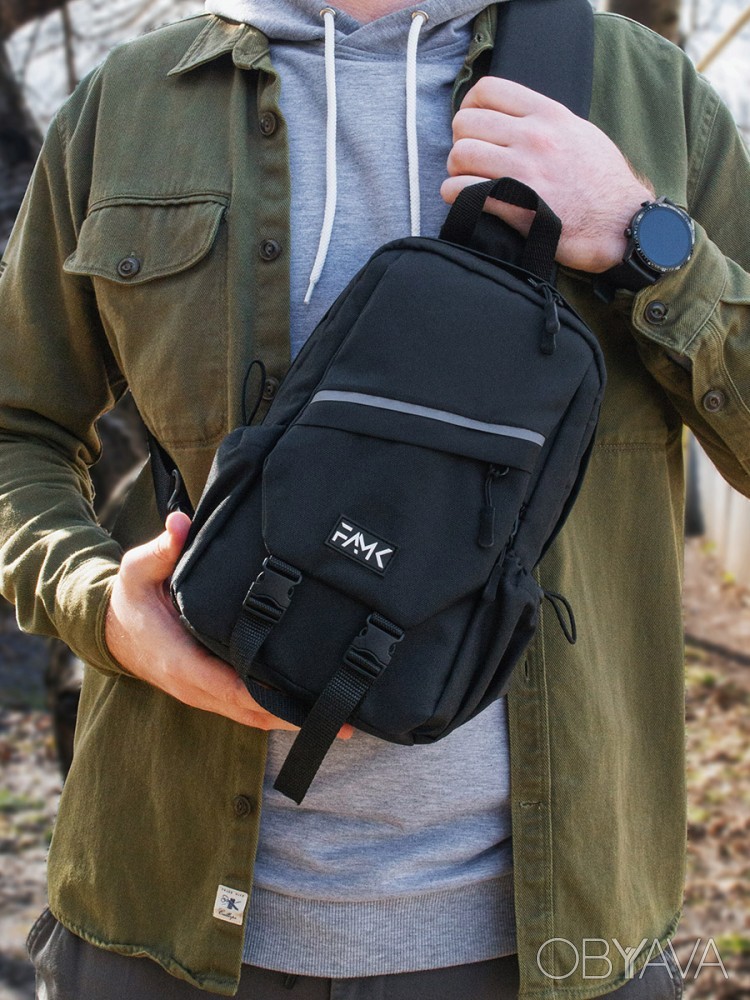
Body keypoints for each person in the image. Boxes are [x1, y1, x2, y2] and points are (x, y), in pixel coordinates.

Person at [1, 0, 748, 996]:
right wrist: (98, 603)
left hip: (549, 943)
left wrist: (646, 241)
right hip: (160, 918)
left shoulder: (652, 99)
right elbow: (17, 428)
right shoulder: (127, 106)